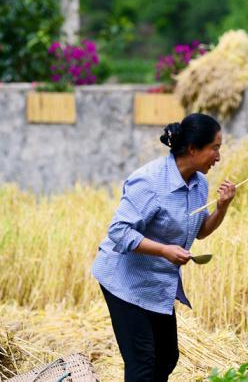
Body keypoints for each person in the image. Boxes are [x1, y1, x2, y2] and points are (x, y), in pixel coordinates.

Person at [92, 113, 236, 381]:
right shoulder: (149, 181)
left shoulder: (198, 183)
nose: (218, 157)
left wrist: (222, 207)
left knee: (167, 356)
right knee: (142, 363)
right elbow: (119, 232)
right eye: (214, 148)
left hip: (156, 283)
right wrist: (164, 250)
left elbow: (200, 230)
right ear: (193, 149)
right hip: (124, 282)